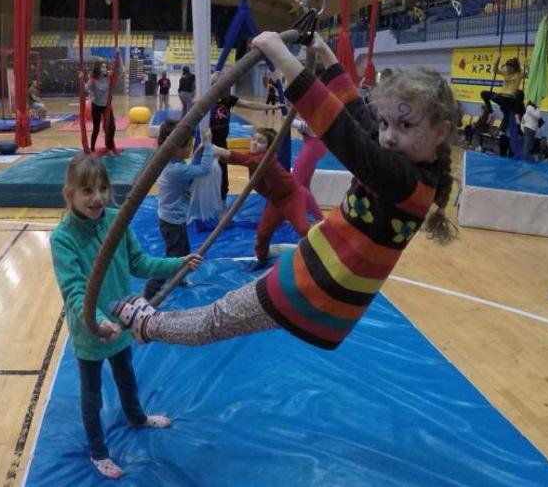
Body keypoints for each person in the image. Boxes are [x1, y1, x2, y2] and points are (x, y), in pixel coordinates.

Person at [108, 31, 456, 352]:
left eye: (406, 125)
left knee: (217, 319)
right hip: (318, 279)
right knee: (222, 317)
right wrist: (329, 59)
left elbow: (347, 137)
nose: (389, 136)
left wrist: (284, 60)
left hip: (318, 286)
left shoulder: (409, 183)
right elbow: (359, 119)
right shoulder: (409, 171)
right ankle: (150, 322)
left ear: (441, 132)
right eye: (386, 122)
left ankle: (148, 325)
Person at [50, 154, 203, 479]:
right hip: (91, 330)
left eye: (103, 188)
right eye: (87, 191)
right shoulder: (63, 238)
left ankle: (136, 416)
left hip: (120, 321)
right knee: (91, 397)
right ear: (69, 195)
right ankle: (98, 450)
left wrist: (178, 263)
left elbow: (139, 262)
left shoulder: (115, 220)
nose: (97, 198)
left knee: (127, 376)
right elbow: (74, 288)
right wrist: (95, 321)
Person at [214, 127, 310, 271]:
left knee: (303, 229)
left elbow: (242, 159)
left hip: (291, 198)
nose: (254, 143)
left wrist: (218, 150)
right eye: (253, 139)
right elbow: (241, 159)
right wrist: (217, 155)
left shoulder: (266, 159)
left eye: (260, 141)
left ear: (269, 148)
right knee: (262, 233)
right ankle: (261, 258)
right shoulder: (254, 158)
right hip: (275, 202)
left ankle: (322, 252)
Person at [143, 121, 215, 300]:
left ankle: (178, 278)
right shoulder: (175, 169)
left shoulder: (174, 161)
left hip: (175, 219)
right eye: (188, 146)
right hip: (171, 222)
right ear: (174, 148)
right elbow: (204, 169)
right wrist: (208, 145)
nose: (190, 150)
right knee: (172, 258)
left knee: (184, 252)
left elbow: (193, 166)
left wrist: (198, 151)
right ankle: (149, 293)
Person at [210, 72, 282, 202]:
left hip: (221, 143)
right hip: (207, 142)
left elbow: (250, 104)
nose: (226, 90)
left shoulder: (228, 100)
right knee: (201, 174)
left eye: (227, 87)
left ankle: (222, 201)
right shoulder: (207, 100)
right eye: (223, 87)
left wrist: (271, 106)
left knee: (223, 178)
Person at [292, 117, 326, 221]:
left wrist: (291, 121)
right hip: (314, 142)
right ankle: (307, 213)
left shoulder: (315, 105)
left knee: (295, 183)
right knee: (304, 183)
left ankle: (319, 218)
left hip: (314, 143)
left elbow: (310, 127)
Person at [85, 61, 116, 154]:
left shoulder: (109, 77)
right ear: (98, 69)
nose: (105, 69)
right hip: (97, 106)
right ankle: (92, 148)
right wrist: (82, 78)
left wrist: (118, 55)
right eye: (102, 67)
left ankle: (109, 147)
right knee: (96, 128)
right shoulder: (93, 79)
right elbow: (85, 89)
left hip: (107, 106)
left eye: (106, 67)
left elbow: (120, 71)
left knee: (112, 127)